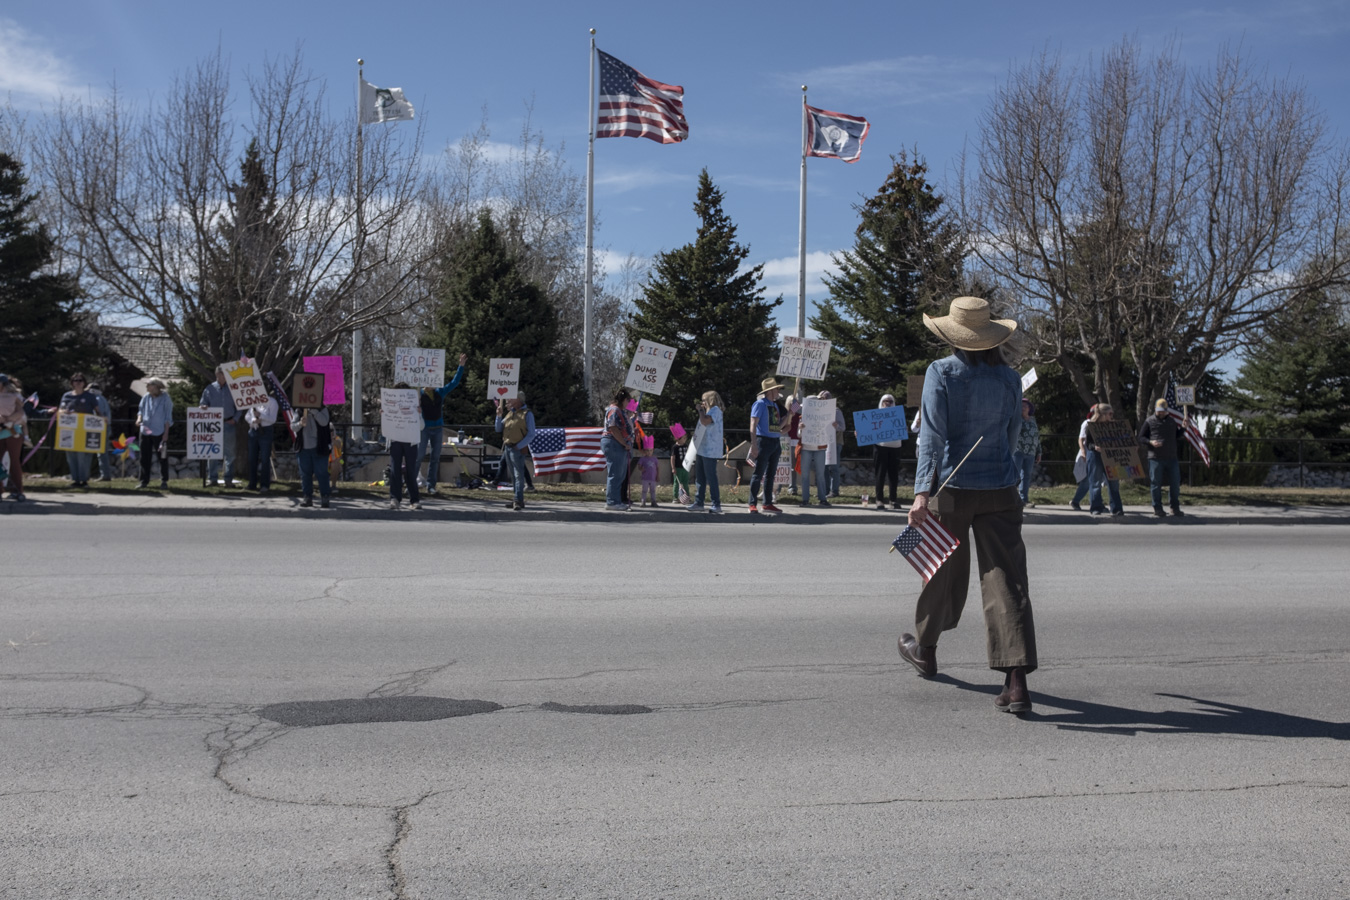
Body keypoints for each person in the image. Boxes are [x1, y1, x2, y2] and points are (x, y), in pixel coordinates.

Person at [899, 296, 1038, 715]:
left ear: (954, 336)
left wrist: (922, 493)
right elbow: (1012, 436)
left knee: (941, 570)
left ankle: (925, 649)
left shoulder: (941, 372)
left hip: (952, 488)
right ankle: (1016, 682)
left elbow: (932, 437)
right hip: (1002, 486)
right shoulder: (1010, 379)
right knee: (1007, 582)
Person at [417, 353, 467, 494]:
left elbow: (454, 383)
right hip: (424, 428)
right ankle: (412, 483)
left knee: (435, 457)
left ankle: (431, 485)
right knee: (419, 456)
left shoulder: (440, 392)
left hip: (438, 428)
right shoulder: (419, 394)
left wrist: (461, 367)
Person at [1139, 397, 1186, 517]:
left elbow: (1177, 436)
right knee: (1156, 483)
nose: (1161, 413)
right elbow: (1141, 437)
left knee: (1175, 483)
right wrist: (1150, 442)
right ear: (1155, 409)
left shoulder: (1171, 421)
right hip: (1155, 457)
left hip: (1171, 457)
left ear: (1167, 411)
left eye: (1163, 411)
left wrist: (1184, 428)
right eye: (1159, 411)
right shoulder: (1149, 421)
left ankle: (1174, 507)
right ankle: (1157, 507)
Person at [747, 378, 786, 514]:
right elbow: (753, 425)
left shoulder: (774, 405)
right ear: (770, 391)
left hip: (775, 441)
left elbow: (777, 427)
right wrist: (754, 444)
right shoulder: (760, 404)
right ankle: (752, 503)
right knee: (758, 473)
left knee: (770, 474)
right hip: (763, 441)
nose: (778, 391)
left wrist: (789, 414)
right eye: (777, 389)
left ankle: (767, 503)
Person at [494, 392, 536, 511]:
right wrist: (498, 416)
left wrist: (519, 446)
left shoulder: (527, 414)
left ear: (518, 399)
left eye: (511, 398)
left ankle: (518, 499)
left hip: (517, 448)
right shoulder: (510, 413)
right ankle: (517, 499)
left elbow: (531, 434)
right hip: (508, 447)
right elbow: (498, 429)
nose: (508, 400)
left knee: (518, 475)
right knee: (513, 475)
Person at [199, 366, 239, 487]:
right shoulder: (209, 388)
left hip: (229, 423)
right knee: (212, 452)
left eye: (225, 374)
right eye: (222, 374)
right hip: (213, 425)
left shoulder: (233, 388)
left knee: (230, 453)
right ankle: (213, 479)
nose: (224, 376)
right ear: (217, 375)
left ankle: (228, 480)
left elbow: (240, 406)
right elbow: (202, 403)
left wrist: (235, 419)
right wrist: (203, 407)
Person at [59, 373, 100, 487]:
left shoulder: (89, 396)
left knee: (83, 456)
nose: (78, 382)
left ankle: (84, 480)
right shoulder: (66, 396)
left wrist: (103, 421)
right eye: (75, 380)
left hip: (85, 430)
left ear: (84, 383)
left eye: (80, 380)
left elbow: (97, 411)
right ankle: (75, 480)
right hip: (70, 429)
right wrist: (64, 412)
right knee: (71, 455)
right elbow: (60, 410)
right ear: (72, 383)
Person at [688, 390, 725, 514]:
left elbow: (704, 421)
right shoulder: (709, 412)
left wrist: (700, 410)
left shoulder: (715, 411)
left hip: (710, 450)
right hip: (702, 448)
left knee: (711, 477)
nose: (702, 403)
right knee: (700, 478)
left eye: (704, 400)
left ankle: (716, 504)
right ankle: (699, 502)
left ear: (710, 400)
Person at [386, 382, 421, 510]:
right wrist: (384, 415)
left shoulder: (414, 407)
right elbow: (386, 426)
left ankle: (414, 500)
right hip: (395, 440)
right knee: (395, 470)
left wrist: (419, 414)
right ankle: (395, 498)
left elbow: (422, 426)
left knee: (411, 470)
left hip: (410, 441)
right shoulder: (390, 406)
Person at [1085, 404, 1124, 517]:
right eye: (1110, 414)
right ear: (1102, 414)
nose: (1111, 416)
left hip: (1110, 456)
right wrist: (1095, 447)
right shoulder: (1091, 426)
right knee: (1095, 482)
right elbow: (1088, 444)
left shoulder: (1113, 426)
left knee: (1114, 482)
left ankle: (1116, 508)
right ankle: (1096, 507)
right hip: (1095, 456)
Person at [136, 377, 173, 490]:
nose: (147, 387)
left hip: (159, 431)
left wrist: (166, 434)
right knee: (144, 457)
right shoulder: (146, 397)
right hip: (145, 430)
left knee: (162, 457)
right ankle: (144, 481)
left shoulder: (166, 398)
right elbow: (140, 410)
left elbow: (168, 417)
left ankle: (164, 481)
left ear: (155, 386)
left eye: (149, 385)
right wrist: (139, 419)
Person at [601, 388, 634, 511]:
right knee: (615, 473)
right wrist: (624, 443)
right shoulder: (614, 410)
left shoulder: (619, 411)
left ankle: (616, 500)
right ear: (623, 400)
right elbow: (613, 428)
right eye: (628, 400)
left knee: (620, 474)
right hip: (614, 443)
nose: (628, 403)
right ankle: (612, 502)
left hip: (617, 444)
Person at [872, 393, 905, 511]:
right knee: (880, 474)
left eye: (890, 401)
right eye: (885, 401)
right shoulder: (874, 416)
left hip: (895, 447)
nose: (888, 403)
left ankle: (893, 499)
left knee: (893, 475)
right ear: (881, 402)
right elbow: (868, 430)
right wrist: (860, 432)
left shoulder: (898, 415)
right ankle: (879, 499)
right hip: (880, 446)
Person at [245, 385, 280, 493]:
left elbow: (273, 419)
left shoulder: (272, 402)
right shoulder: (253, 401)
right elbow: (247, 416)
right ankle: (252, 484)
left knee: (265, 459)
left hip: (265, 431)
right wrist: (253, 420)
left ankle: (264, 485)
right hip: (253, 430)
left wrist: (261, 417)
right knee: (252, 458)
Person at [296, 404, 332, 508]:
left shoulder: (322, 409)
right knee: (305, 474)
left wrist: (314, 411)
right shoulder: (299, 410)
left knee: (322, 474)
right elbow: (293, 426)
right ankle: (307, 497)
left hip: (320, 448)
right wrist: (300, 423)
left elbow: (324, 422)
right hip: (304, 449)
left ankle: (325, 497)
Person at [799, 394, 830, 507]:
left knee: (820, 474)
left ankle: (822, 499)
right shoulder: (802, 417)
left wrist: (833, 426)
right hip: (806, 448)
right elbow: (798, 435)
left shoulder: (825, 417)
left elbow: (829, 432)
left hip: (819, 448)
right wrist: (800, 429)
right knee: (805, 475)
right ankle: (805, 499)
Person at [0, 374, 27, 501]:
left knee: (14, 461)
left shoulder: (14, 396)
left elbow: (21, 412)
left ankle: (17, 490)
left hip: (13, 431)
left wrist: (9, 419)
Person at [1014, 398, 1041, 507]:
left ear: (1029, 408)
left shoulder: (1033, 421)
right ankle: (1011, 498)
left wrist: (1039, 452)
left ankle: (1024, 499)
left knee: (1026, 476)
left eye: (1025, 406)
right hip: (1018, 451)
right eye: (1021, 406)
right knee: (1015, 475)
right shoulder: (1016, 419)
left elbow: (1037, 437)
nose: (1023, 408)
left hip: (1031, 452)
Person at [1069, 405, 1095, 511]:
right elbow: (1081, 439)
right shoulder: (1087, 423)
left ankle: (1097, 503)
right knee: (1087, 480)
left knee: (1096, 480)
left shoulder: (1103, 424)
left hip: (1099, 454)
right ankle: (1076, 501)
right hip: (1088, 453)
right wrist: (1083, 452)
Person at [87, 382, 114, 481]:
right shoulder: (102, 398)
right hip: (105, 427)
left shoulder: (96, 399)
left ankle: (105, 475)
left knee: (101, 452)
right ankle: (105, 474)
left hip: (101, 427)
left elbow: (98, 415)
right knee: (102, 452)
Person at [823, 391, 846, 497]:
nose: (823, 400)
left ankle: (834, 491)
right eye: (822, 398)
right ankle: (825, 490)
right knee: (824, 468)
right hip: (824, 443)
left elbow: (843, 427)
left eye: (825, 398)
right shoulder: (820, 412)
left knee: (834, 468)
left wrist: (835, 426)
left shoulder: (836, 411)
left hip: (835, 443)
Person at [636, 436, 659, 506]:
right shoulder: (642, 459)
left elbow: (657, 468)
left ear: (653, 450)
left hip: (653, 478)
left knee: (653, 490)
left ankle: (653, 501)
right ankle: (643, 501)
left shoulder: (655, 459)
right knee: (644, 490)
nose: (649, 452)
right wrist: (641, 468)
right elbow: (639, 466)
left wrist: (657, 476)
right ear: (644, 451)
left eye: (650, 450)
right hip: (645, 478)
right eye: (647, 450)